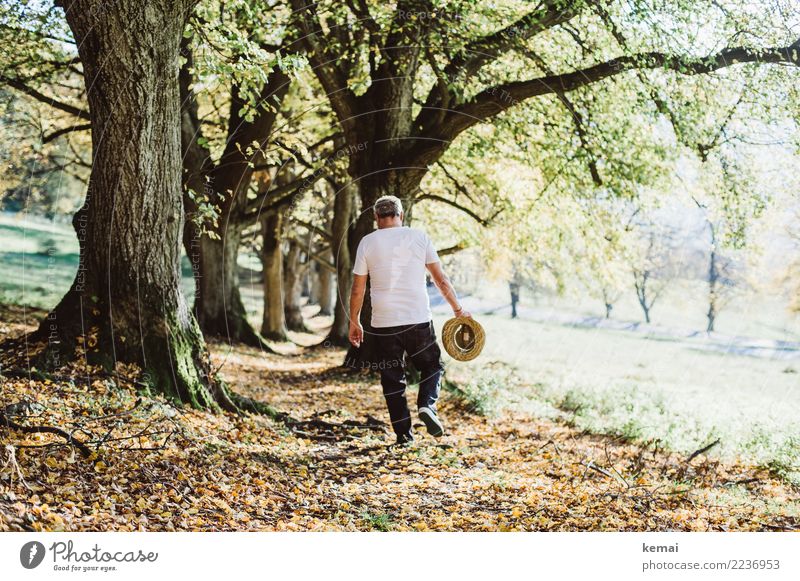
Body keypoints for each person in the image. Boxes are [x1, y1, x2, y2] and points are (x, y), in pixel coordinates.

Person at [348, 195, 471, 445]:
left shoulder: (367, 242)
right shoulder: (419, 237)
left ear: (376, 217)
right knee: (432, 365)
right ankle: (427, 405)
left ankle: (404, 436)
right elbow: (441, 280)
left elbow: (357, 289)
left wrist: (354, 320)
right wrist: (458, 309)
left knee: (392, 378)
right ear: (401, 215)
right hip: (417, 318)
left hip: (383, 322)